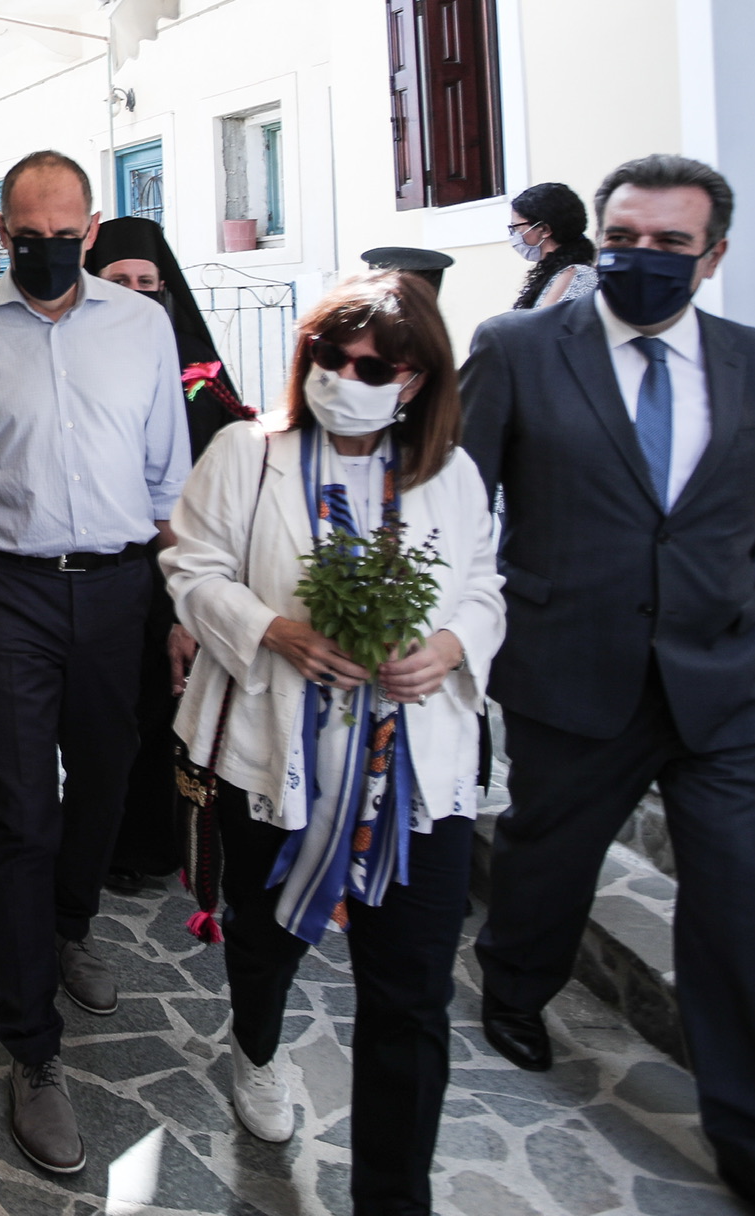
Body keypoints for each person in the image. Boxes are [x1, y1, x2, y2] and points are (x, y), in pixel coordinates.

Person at [462, 153, 755, 1216]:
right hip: (571, 671)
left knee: (739, 913)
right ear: (600, 233)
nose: (643, 257)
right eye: (625, 235)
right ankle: (518, 983)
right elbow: (456, 501)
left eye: (671, 244)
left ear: (710, 258)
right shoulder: (520, 349)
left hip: (728, 686)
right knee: (547, 856)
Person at [164, 271, 502, 1212]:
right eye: (330, 357)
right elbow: (189, 567)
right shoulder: (248, 453)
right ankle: (256, 1047)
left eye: (373, 365)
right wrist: (273, 630)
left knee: (409, 1000)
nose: (346, 375)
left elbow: (482, 587)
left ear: (417, 381)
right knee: (266, 944)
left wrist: (447, 645)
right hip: (278, 762)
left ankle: (392, 1200)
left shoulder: (451, 476)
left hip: (413, 782)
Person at [0, 150, 189, 1176]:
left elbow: (167, 483)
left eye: (66, 236)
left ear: (92, 232)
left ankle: (67, 927)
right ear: (4, 230)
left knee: (103, 784)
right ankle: (33, 1051)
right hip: (4, 595)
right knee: (20, 811)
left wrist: (182, 605)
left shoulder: (142, 328)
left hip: (117, 592)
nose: (48, 252)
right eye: (28, 238)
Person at [84, 217, 255, 892]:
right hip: (102, 572)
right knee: (106, 718)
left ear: (165, 289)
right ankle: (102, 835)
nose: (132, 293)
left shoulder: (197, 376)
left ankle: (154, 841)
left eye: (145, 283)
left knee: (163, 710)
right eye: (117, 281)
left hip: (177, 573)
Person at [507, 182, 598, 308]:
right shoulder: (553, 271)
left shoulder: (577, 275)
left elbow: (541, 324)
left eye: (517, 228)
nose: (514, 235)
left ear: (544, 230)